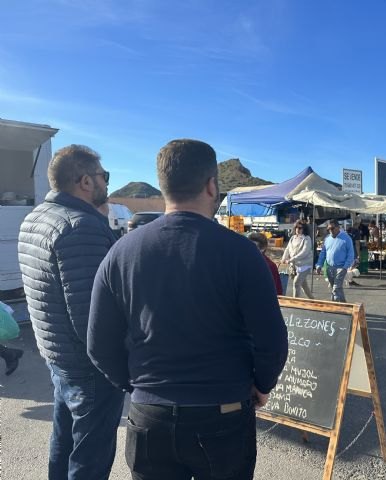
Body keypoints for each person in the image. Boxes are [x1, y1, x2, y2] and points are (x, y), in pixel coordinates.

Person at [87, 139, 288, 480]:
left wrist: (136, 386)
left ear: (164, 186)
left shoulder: (120, 253)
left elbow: (98, 345)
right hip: (224, 412)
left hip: (149, 415)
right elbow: (272, 339)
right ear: (212, 185)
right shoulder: (242, 254)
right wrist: (262, 384)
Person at [17, 145, 125, 479]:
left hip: (57, 356)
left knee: (64, 442)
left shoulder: (36, 217)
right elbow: (92, 317)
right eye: (103, 176)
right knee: (90, 456)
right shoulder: (81, 227)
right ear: (85, 182)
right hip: (88, 367)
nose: (107, 183)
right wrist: (118, 369)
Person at [315, 219, 355, 302]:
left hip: (341, 267)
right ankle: (344, 304)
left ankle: (335, 307)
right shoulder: (327, 239)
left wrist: (345, 267)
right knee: (336, 287)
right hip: (329, 267)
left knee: (336, 288)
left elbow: (351, 254)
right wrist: (319, 265)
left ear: (338, 227)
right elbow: (323, 253)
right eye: (328, 229)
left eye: (332, 228)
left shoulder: (346, 238)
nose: (330, 231)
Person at [281, 220, 315, 298]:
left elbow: (304, 252)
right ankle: (312, 300)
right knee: (304, 285)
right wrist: (283, 258)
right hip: (295, 266)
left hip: (305, 265)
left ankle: (295, 301)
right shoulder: (293, 238)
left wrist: (291, 259)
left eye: (300, 228)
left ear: (304, 229)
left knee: (296, 283)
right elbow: (287, 249)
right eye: (296, 227)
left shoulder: (307, 238)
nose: (297, 229)